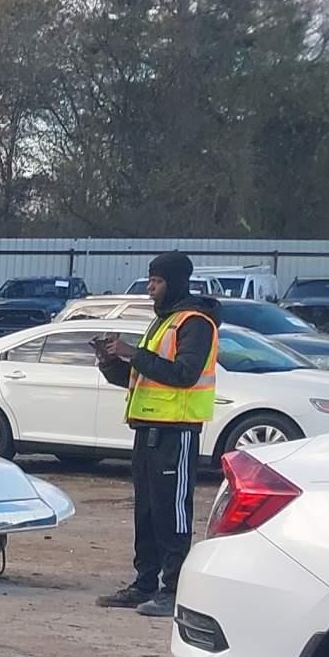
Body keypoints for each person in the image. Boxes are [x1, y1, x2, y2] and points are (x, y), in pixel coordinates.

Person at [92, 252, 220, 618]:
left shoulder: (195, 323)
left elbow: (184, 374)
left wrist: (134, 354)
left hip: (176, 431)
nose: (150, 289)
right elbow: (141, 377)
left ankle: (175, 589)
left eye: (157, 282)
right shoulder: (163, 322)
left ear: (176, 282)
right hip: (147, 428)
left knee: (172, 512)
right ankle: (144, 583)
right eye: (150, 281)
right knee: (146, 511)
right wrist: (111, 361)